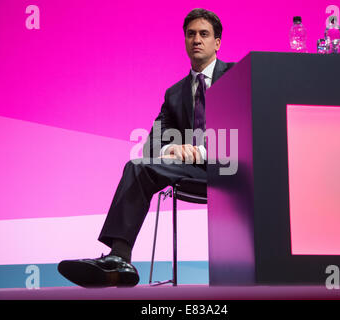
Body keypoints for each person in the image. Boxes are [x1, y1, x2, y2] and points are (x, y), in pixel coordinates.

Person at [58, 8, 235, 288]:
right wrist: (174, 149)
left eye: (204, 34)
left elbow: (247, 126)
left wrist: (201, 152)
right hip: (194, 174)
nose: (196, 40)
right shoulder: (175, 93)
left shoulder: (236, 75)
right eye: (191, 34)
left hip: (233, 168)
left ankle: (117, 260)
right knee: (137, 167)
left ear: (217, 42)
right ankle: (118, 260)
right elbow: (153, 143)